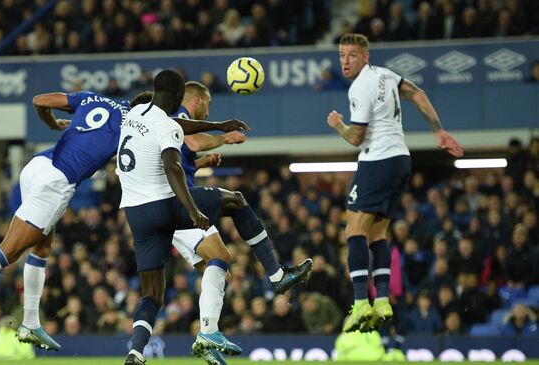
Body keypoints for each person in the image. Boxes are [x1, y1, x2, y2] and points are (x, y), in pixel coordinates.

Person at [0, 88, 243, 350]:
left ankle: (31, 322)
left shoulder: (93, 98)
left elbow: (40, 101)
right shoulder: (132, 125)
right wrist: (219, 129)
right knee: (9, 251)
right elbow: (180, 131)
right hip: (59, 181)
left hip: (38, 164)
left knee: (42, 246)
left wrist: (52, 124)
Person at [119, 70, 311, 365]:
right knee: (235, 202)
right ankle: (275, 276)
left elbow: (179, 137)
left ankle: (135, 353)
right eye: (206, 102)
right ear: (182, 96)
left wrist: (211, 140)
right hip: (168, 202)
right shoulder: (169, 122)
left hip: (137, 214)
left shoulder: (134, 115)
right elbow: (175, 157)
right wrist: (193, 210)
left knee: (157, 292)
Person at [326, 33, 463, 333]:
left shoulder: (359, 87)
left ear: (365, 56)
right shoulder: (386, 75)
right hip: (402, 160)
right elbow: (418, 94)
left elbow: (356, 138)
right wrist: (438, 131)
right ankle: (383, 299)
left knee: (354, 229)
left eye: (351, 55)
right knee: (377, 232)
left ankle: (361, 301)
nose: (345, 61)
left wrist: (338, 125)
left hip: (378, 160)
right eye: (341, 55)